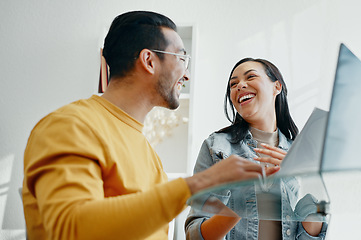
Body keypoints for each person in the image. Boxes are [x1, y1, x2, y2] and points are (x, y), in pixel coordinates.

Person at [21, 11, 277, 240]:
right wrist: (200, 182)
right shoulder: (70, 126)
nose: (186, 74)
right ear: (149, 61)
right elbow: (71, 230)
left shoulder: (149, 155)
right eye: (181, 58)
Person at [185, 58, 328, 239]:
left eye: (250, 76)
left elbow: (310, 232)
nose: (239, 86)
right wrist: (237, 203)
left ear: (277, 87)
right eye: (233, 84)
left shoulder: (297, 153)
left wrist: (311, 183)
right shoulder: (216, 148)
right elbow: (194, 234)